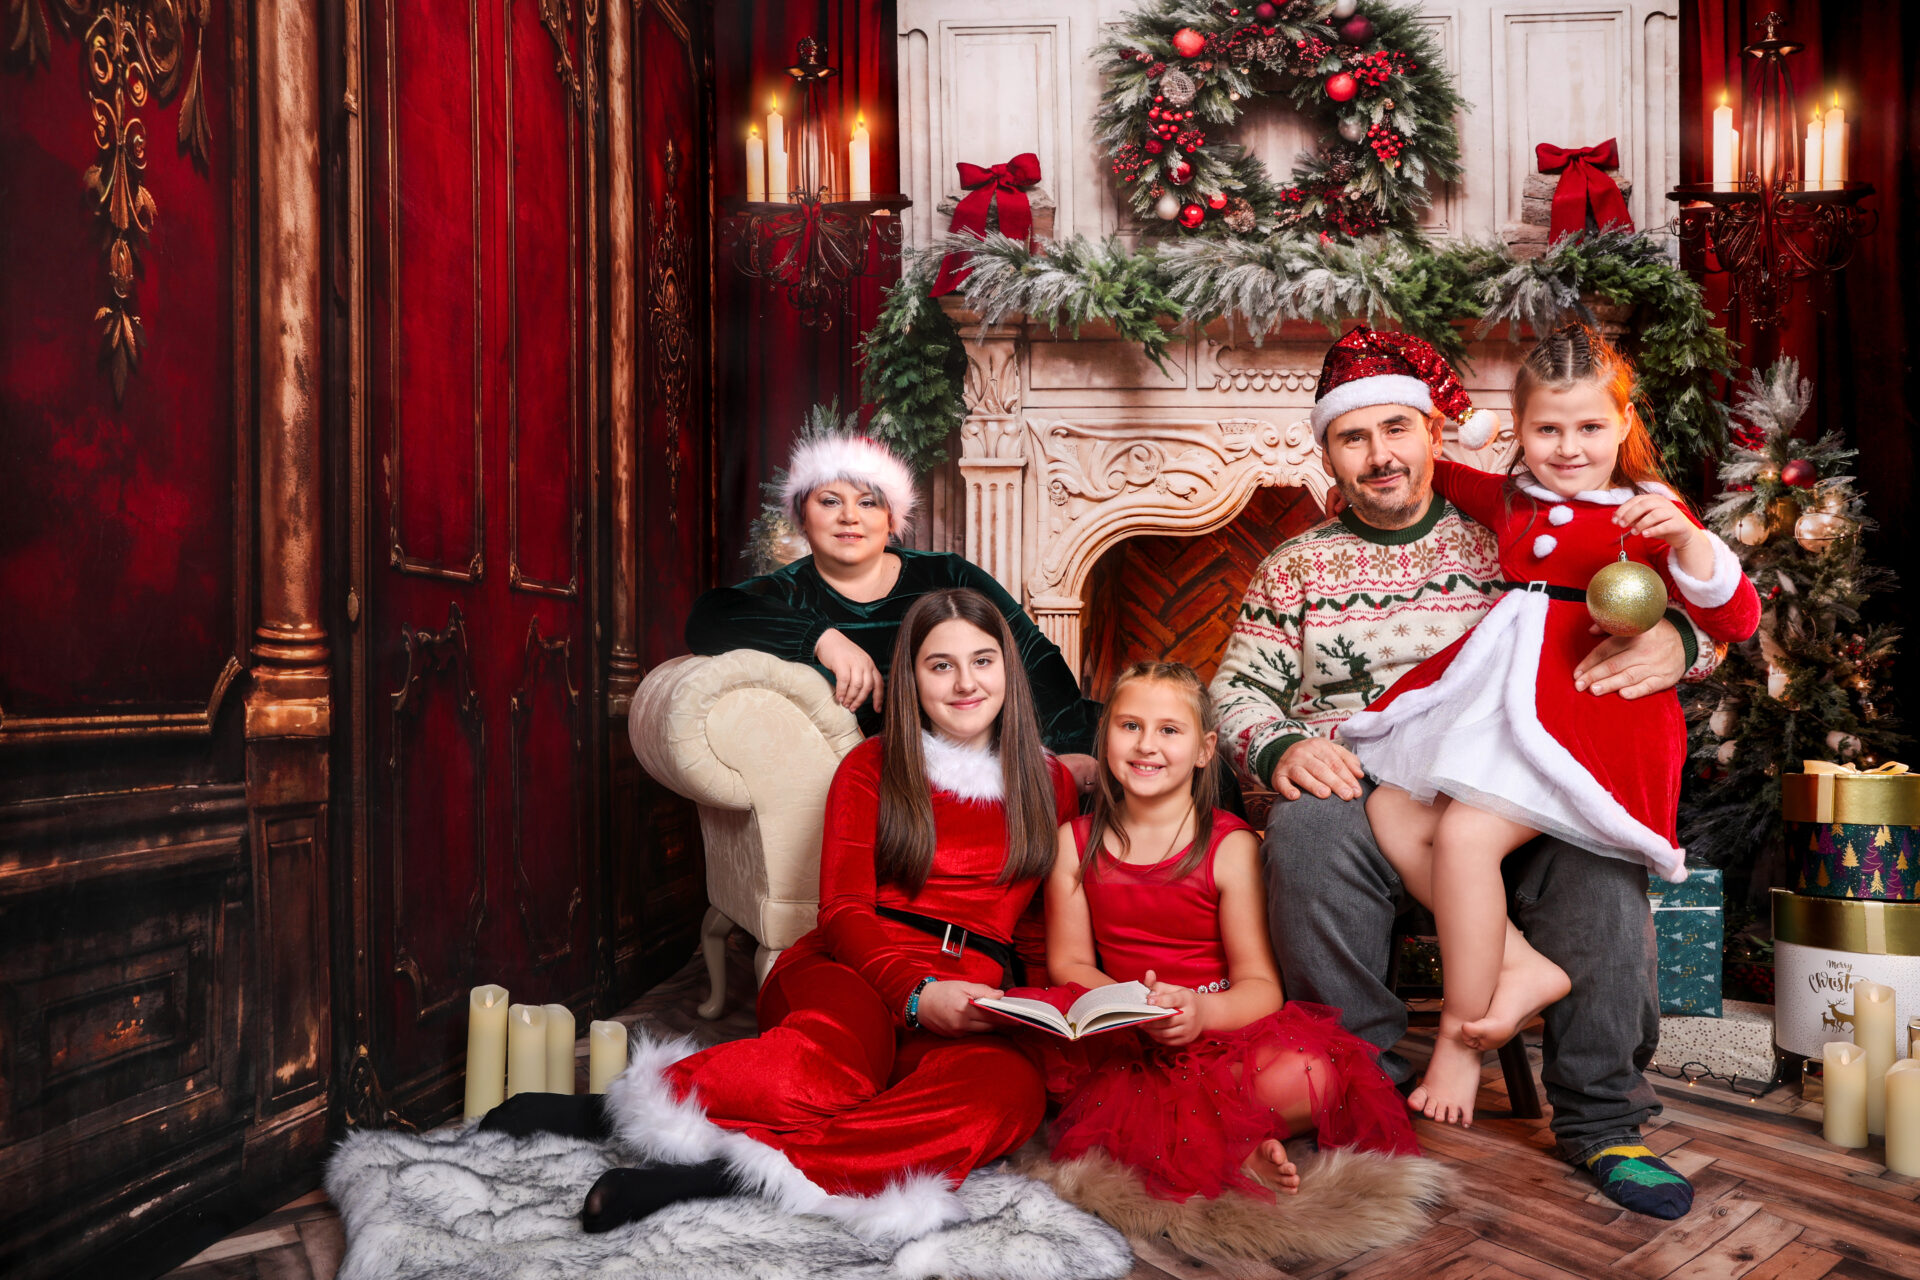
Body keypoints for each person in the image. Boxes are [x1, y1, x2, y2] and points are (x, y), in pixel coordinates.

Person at [1209, 324, 1722, 1221]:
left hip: (1526, 785)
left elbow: (1688, 606)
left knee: (1599, 861)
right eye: (1353, 436)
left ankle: (1606, 1119)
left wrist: (1675, 642)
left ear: (1434, 436)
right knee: (1310, 827)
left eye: (1396, 430)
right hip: (1376, 793)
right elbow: (1235, 693)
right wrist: (1285, 746)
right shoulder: (1293, 569)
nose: (1379, 455)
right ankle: (1358, 1084)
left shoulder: (1510, 527)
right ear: (1325, 450)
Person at [482, 589, 1080, 1240]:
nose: (966, 682)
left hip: (971, 999)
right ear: (910, 678)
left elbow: (1037, 933)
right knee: (818, 1072)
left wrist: (1037, 1014)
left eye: (983, 660)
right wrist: (916, 994)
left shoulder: (1050, 785)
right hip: (851, 967)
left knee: (1005, 1097)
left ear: (1008, 672)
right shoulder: (871, 767)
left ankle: (732, 1174)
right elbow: (846, 911)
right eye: (941, 665)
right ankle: (613, 1112)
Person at [1338, 325, 1760, 1130]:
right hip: (1498, 702)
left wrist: (1695, 547)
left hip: (1578, 716)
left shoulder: (1648, 513)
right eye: (1547, 429)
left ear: (1623, 425)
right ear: (1520, 428)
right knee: (1390, 801)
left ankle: (1464, 1040)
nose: (1568, 448)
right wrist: (1401, 448)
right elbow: (1453, 478)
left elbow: (1737, 617)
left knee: (1463, 839)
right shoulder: (1517, 494)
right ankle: (1520, 965)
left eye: (1590, 427)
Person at [1029, 662, 1418, 1206]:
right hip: (1126, 1034)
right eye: (1129, 726)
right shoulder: (1075, 842)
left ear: (1205, 748)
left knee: (1314, 1073)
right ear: (1105, 736)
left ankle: (1225, 1140)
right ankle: (1239, 1146)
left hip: (1223, 1031)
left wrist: (1198, 1014)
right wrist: (1134, 1006)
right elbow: (1068, 964)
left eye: (1170, 730)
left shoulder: (1230, 847)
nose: (1147, 745)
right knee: (1105, 1097)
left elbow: (1260, 985)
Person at [685, 432, 1101, 786]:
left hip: (991, 748)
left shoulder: (947, 574)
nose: (849, 517)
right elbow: (707, 617)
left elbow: (1032, 655)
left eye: (867, 503)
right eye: (830, 502)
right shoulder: (787, 591)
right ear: (802, 517)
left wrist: (1070, 749)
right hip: (892, 776)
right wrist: (823, 639)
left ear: (890, 519)